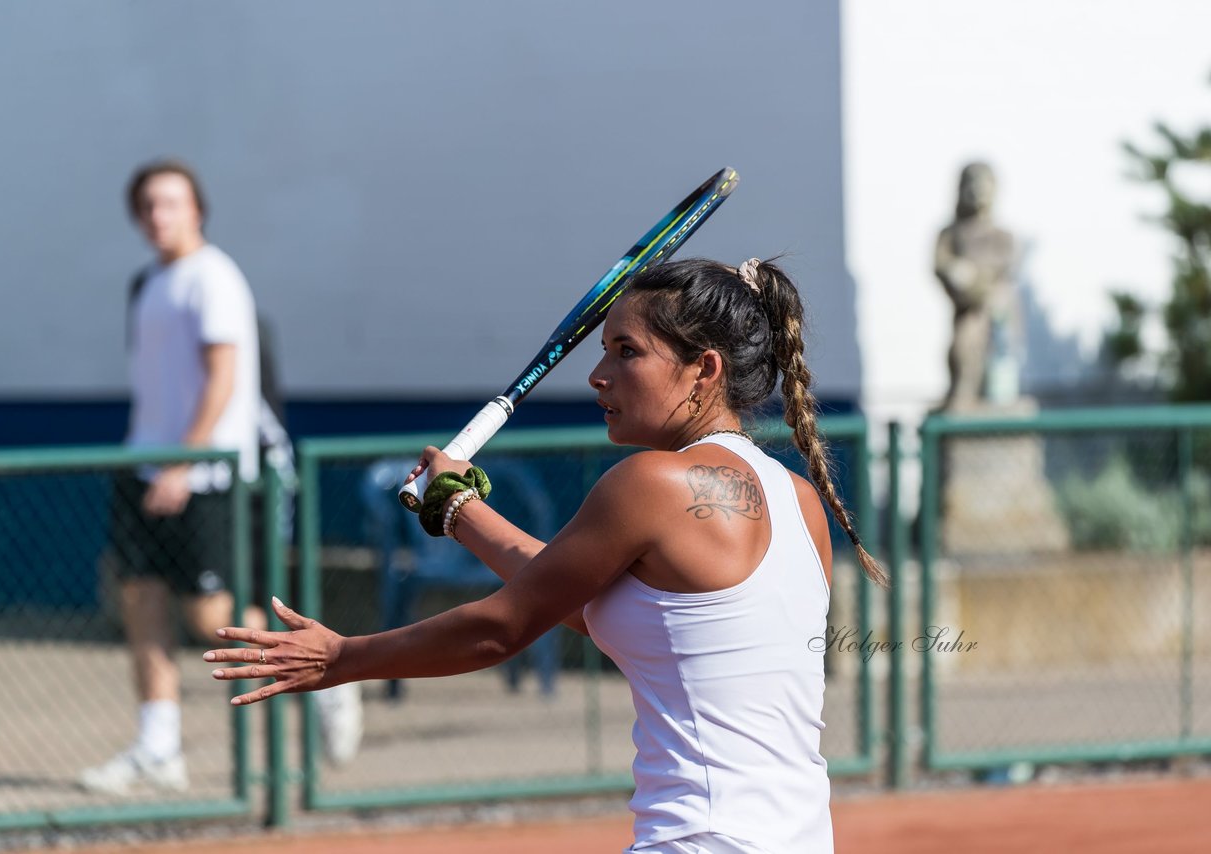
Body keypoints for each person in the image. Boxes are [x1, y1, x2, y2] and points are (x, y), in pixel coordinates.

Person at [206, 257, 886, 852]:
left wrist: (343, 659)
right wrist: (460, 512)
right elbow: (607, 610)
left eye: (626, 351)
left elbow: (503, 627)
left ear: (704, 370)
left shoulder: (650, 484)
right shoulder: (799, 500)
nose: (598, 374)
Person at [81, 160, 358, 795]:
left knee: (214, 618)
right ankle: (158, 749)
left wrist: (183, 463)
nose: (159, 216)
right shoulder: (147, 283)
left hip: (206, 477)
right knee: (140, 603)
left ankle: (328, 678)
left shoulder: (214, 278)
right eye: (148, 205)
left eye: (171, 203)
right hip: (142, 468)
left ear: (196, 210)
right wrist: (151, 461)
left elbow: (224, 379)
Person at [934, 161, 1016, 410]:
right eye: (971, 183)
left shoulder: (1001, 236)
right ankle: (963, 390)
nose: (977, 190)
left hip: (993, 309)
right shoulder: (950, 233)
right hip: (965, 310)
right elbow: (940, 263)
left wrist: (975, 280)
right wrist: (955, 274)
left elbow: (1000, 270)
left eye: (983, 183)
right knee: (962, 346)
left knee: (997, 358)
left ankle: (990, 395)